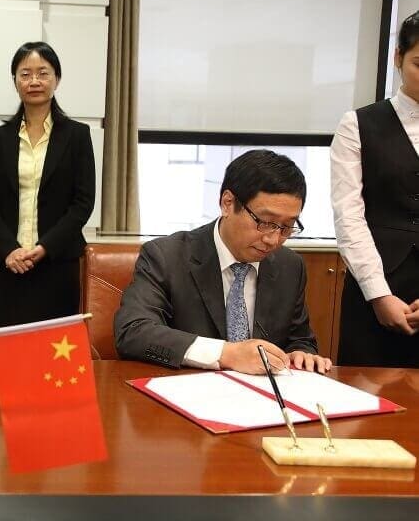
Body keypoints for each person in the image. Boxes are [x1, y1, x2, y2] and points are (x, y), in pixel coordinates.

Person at [114, 149, 332, 375]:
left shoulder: (290, 266)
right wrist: (226, 354)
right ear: (227, 203)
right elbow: (133, 331)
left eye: (287, 227)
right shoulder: (167, 256)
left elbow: (300, 339)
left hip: (264, 401)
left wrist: (301, 354)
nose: (273, 239)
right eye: (266, 222)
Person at [0, 42, 95, 327]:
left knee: (55, 356)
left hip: (58, 262)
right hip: (9, 264)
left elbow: (83, 203)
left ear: (57, 79)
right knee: (11, 351)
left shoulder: (77, 136)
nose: (34, 81)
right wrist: (8, 249)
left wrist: (45, 247)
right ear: (15, 81)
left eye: (43, 73)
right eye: (25, 74)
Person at [331, 10, 419, 367]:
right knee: (366, 407)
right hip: (375, 288)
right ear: (398, 58)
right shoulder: (357, 124)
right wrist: (378, 294)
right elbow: (348, 214)